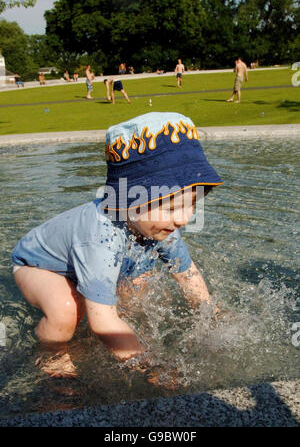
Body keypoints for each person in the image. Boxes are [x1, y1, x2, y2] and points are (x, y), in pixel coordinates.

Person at [11, 112, 223, 384]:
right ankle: (51, 352)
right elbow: (101, 325)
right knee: (67, 311)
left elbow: (186, 273)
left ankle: (96, 296)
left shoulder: (163, 225)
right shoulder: (101, 236)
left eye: (192, 203)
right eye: (171, 207)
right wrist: (150, 366)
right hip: (40, 265)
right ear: (126, 201)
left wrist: (211, 313)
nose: (184, 218)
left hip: (92, 257)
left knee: (139, 298)